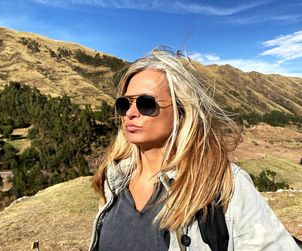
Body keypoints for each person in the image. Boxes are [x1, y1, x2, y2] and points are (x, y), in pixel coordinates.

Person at [89, 49, 301, 250]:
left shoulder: (223, 184)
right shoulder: (114, 180)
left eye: (146, 103)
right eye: (125, 104)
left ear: (182, 110)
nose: (131, 113)